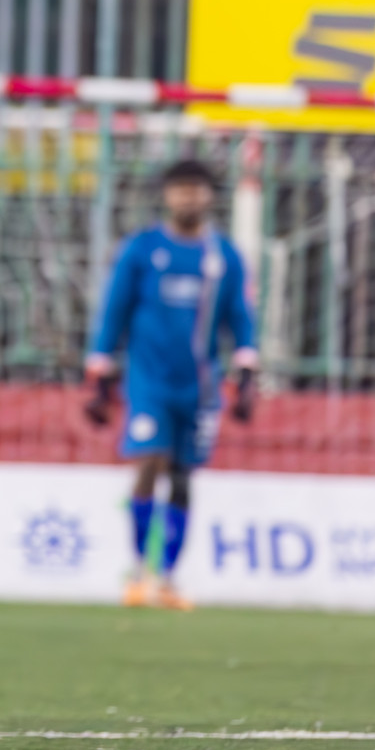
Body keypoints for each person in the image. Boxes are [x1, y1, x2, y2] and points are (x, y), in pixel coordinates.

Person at [84, 159, 257, 611]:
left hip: (200, 386)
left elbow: (240, 316)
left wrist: (247, 368)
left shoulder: (223, 255)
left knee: (182, 476)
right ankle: (140, 570)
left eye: (196, 189)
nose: (188, 197)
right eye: (180, 189)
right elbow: (115, 309)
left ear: (209, 196)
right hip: (148, 381)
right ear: (167, 196)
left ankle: (169, 578)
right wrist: (99, 369)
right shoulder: (142, 249)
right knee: (148, 461)